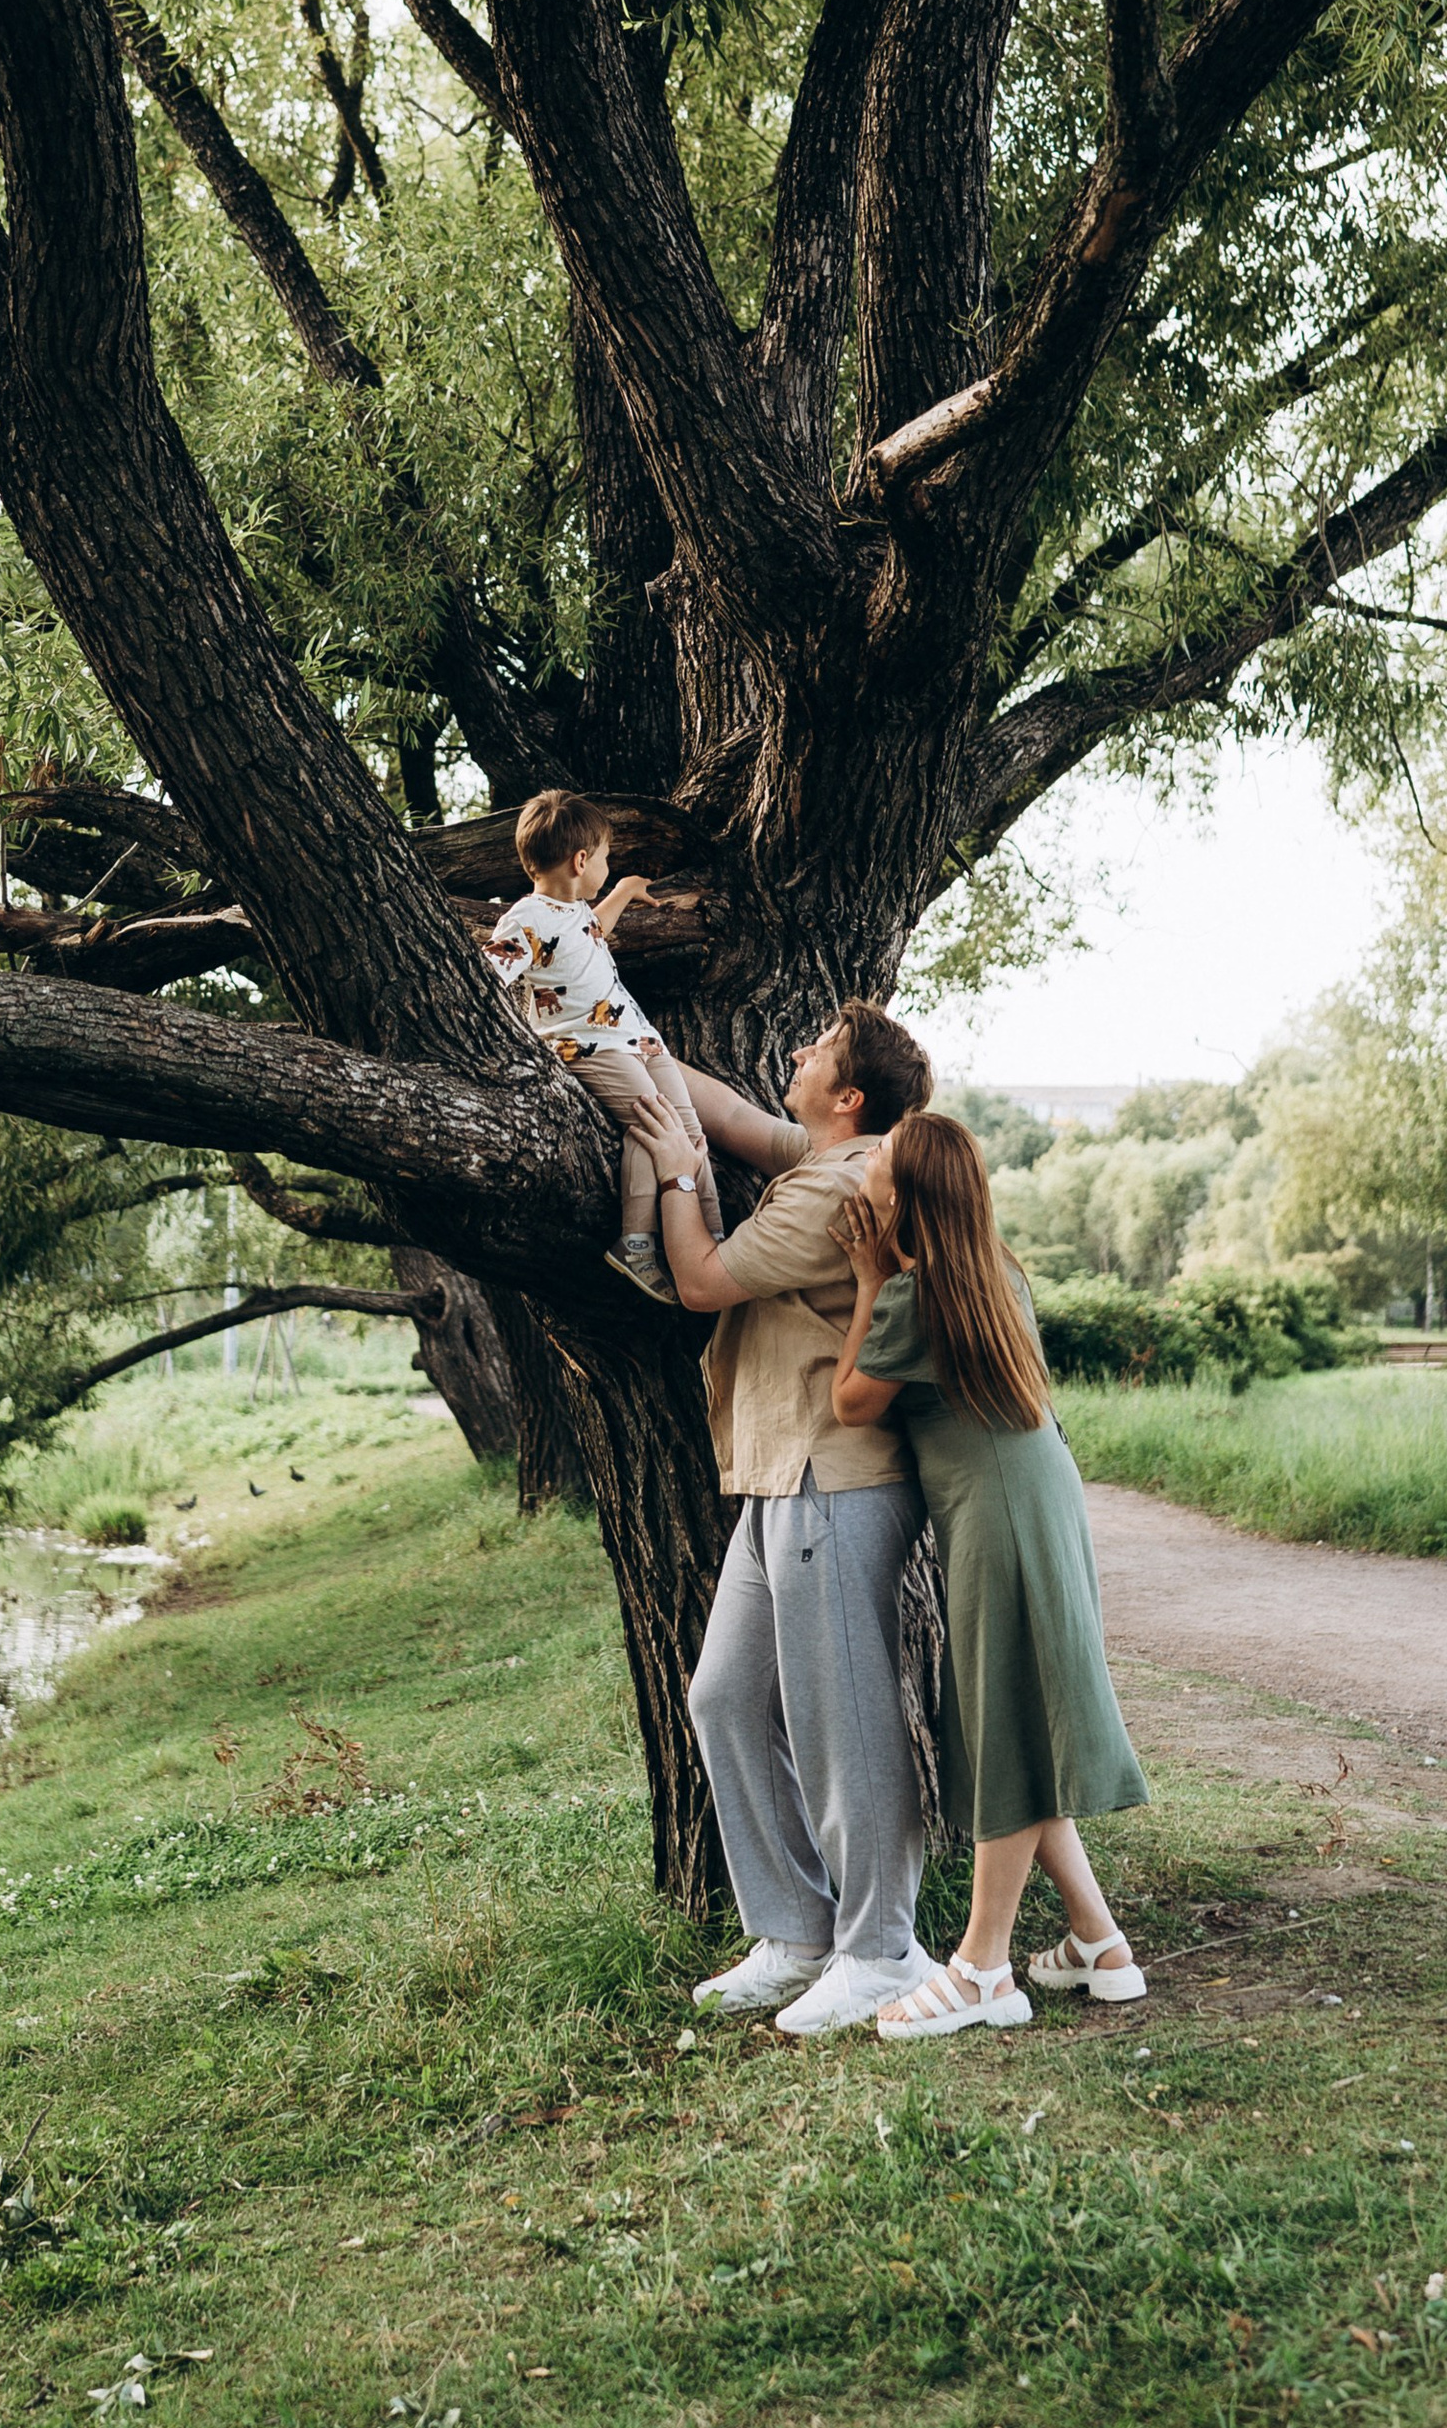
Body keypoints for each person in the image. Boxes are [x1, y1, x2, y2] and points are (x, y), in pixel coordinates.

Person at [638, 999, 940, 2038]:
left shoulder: (844, 1186)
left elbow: (699, 1280)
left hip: (835, 1475)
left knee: (841, 1720)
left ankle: (883, 1950)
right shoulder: (820, 1157)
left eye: (816, 1051)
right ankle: (799, 1932)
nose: (796, 1053)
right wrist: (622, 1042)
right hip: (777, 1473)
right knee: (723, 1698)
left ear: (849, 1097)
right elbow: (719, 1109)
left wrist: (678, 1175)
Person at [829, 1111, 1150, 2040]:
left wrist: (864, 1280)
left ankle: (981, 1969)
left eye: (881, 1162)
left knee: (1003, 1727)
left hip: (995, 1520)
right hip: (1043, 1499)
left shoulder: (911, 1296)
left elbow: (848, 1404)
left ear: (908, 1194)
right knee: (1018, 1718)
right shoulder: (994, 1273)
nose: (869, 1169)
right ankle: (1099, 1944)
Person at [482, 788, 794, 1302]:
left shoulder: (575, 907)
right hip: (590, 1046)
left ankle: (712, 1236)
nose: (608, 864)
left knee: (689, 1129)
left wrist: (624, 889)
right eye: (607, 858)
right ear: (581, 860)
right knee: (653, 1125)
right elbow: (488, 974)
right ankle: (637, 1242)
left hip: (637, 1038)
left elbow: (591, 934)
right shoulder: (527, 917)